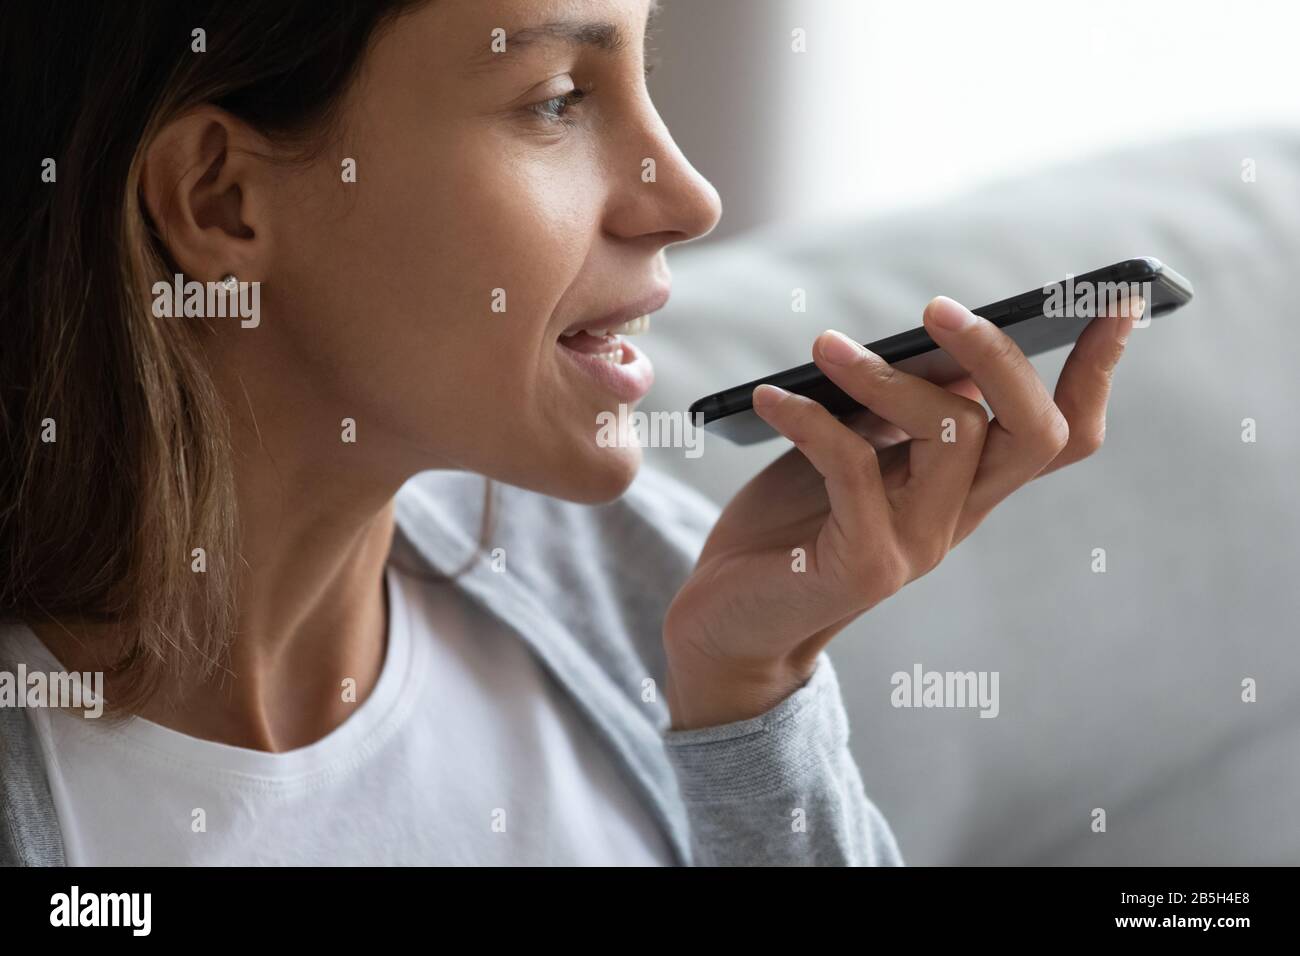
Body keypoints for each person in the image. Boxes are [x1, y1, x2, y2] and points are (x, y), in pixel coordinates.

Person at [0, 0, 1138, 866]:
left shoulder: (644, 582)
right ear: (219, 202)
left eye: (646, 79)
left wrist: (749, 697)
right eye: (556, 99)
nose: (689, 197)